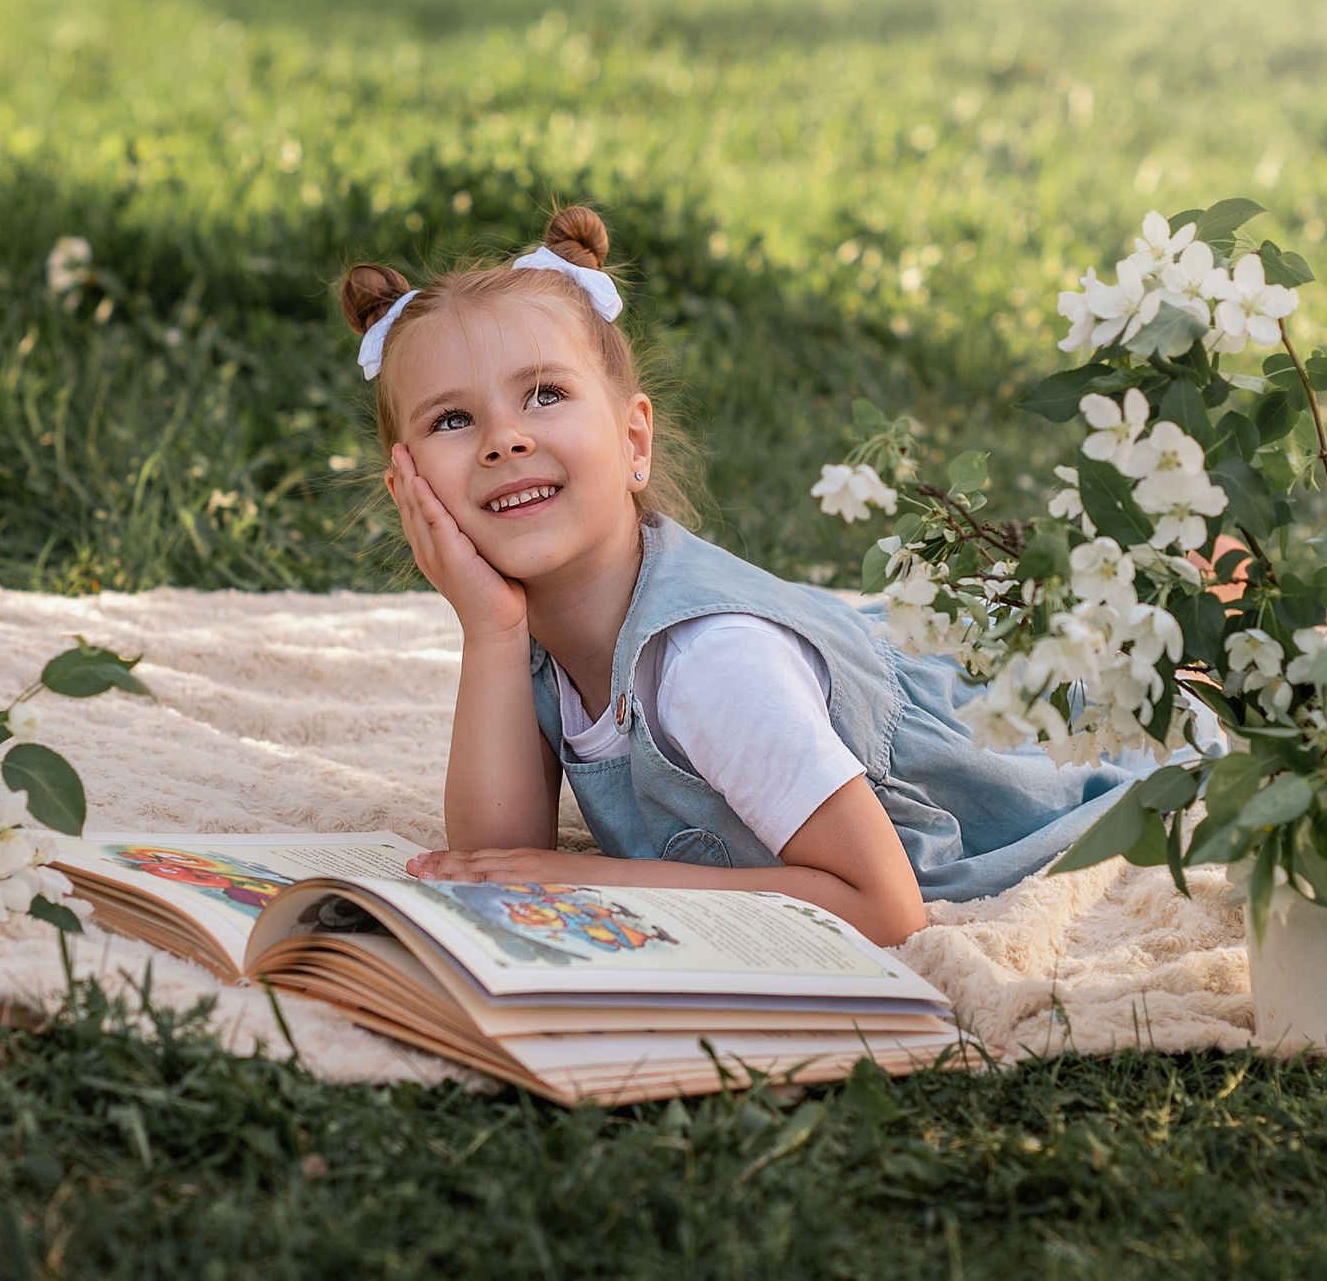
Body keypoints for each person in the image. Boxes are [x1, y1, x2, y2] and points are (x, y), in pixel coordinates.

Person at [345, 206, 1142, 946]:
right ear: (406, 485)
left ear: (633, 442)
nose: (504, 439)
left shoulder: (713, 665)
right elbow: (491, 866)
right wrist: (489, 632)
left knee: (1141, 669)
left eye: (545, 394)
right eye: (453, 420)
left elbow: (884, 907)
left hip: (1037, 730)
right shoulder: (529, 633)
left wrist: (593, 880)